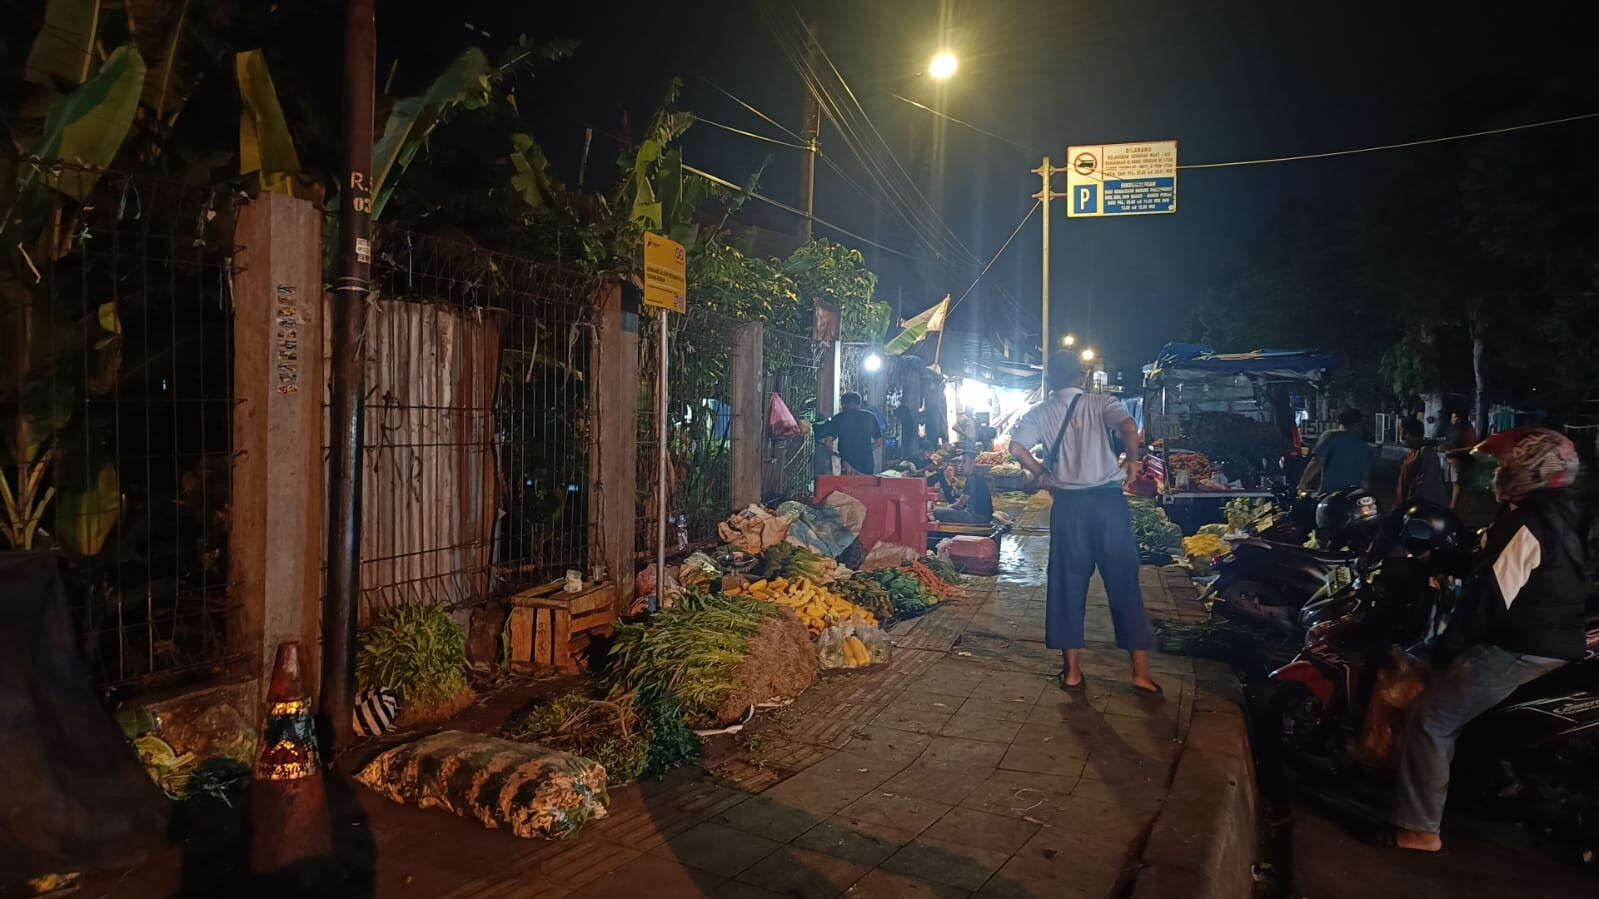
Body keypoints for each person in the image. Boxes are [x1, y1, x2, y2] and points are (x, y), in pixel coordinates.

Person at [1390, 428, 1590, 853]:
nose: (1497, 475)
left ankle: (1419, 828)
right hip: (1558, 636)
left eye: (1503, 467)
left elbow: (1490, 598)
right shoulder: (1565, 512)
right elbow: (1491, 563)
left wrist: (1447, 649)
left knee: (1430, 719)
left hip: (1522, 644)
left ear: (1528, 472)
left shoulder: (1528, 522)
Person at [1009, 351, 1160, 695]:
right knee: (1124, 582)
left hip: (1068, 507)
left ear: (1051, 379)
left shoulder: (1040, 411)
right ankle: (1139, 672)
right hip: (1108, 504)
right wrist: (1133, 461)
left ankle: (1073, 672)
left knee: (1066, 583)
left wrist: (1040, 473)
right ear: (1082, 377)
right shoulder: (1101, 402)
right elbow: (1128, 427)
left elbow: (1017, 447)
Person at [1298, 408, 1373, 494]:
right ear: (1357, 425)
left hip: (1331, 495)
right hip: (1354, 497)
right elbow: (1366, 479)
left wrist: (1302, 484)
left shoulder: (1330, 436)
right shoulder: (1365, 447)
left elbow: (1316, 462)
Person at [820, 392, 882, 476]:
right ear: (859, 403)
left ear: (843, 404)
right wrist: (865, 450)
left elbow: (828, 442)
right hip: (866, 464)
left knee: (846, 488)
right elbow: (879, 442)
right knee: (865, 488)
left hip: (846, 465)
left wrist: (835, 456)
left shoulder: (838, 418)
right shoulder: (870, 417)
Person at [1394, 417, 1449, 508]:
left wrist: (1409, 505)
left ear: (1416, 435)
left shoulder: (1427, 453)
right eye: (1401, 433)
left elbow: (1425, 486)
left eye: (1405, 433)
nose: (1402, 438)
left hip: (1422, 508)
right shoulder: (1413, 452)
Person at [1442, 409, 1478, 508]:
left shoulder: (1467, 430)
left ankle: (1453, 505)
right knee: (1449, 482)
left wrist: (1455, 451)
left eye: (1455, 417)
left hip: (1459, 459)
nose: (1453, 419)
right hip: (1449, 459)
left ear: (1461, 418)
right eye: (1452, 417)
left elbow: (1471, 447)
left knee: (1456, 482)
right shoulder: (1451, 429)